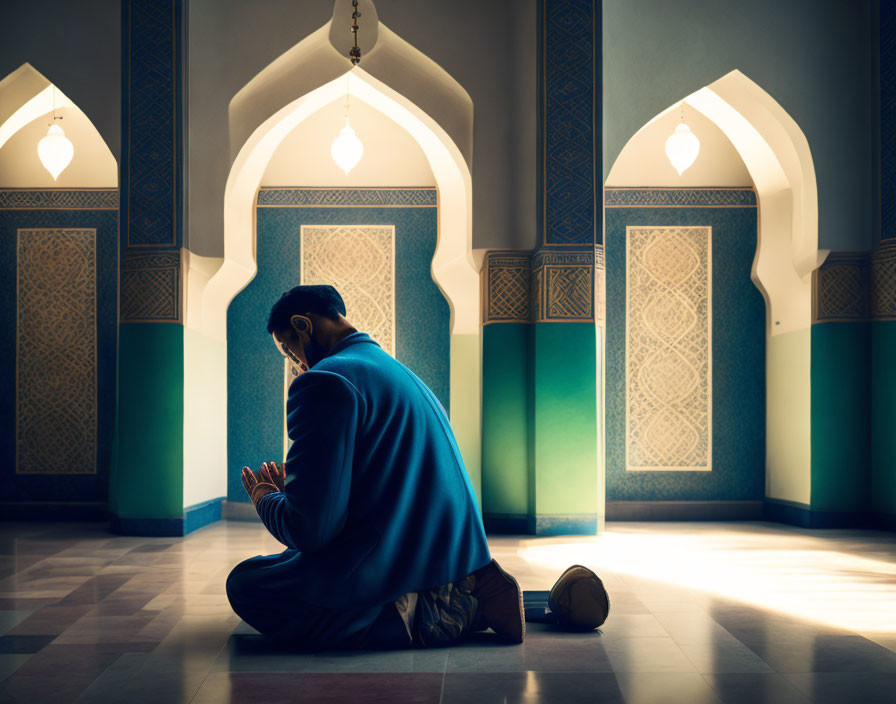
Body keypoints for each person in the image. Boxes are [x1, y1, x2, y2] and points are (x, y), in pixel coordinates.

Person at [226, 284, 526, 650]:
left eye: (290, 352)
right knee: (285, 565)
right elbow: (371, 483)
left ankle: (432, 615)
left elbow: (311, 530)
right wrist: (301, 490)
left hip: (396, 561)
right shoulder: (398, 372)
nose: (297, 366)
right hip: (448, 554)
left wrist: (265, 498)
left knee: (248, 584)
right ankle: (476, 590)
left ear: (303, 325)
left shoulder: (324, 382)